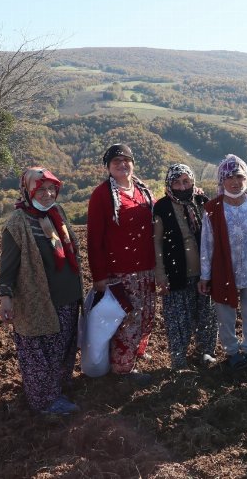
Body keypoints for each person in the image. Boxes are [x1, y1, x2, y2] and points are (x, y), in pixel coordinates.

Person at [0, 167, 83, 415]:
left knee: (63, 347)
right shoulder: (17, 224)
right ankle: (44, 402)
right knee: (39, 353)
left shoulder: (57, 213)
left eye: (51, 188)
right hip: (39, 302)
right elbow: (8, 268)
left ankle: (57, 389)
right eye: (40, 189)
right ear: (27, 190)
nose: (47, 194)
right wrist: (5, 298)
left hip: (67, 297)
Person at [87, 144, 156, 385]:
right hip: (121, 271)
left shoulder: (142, 190)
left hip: (147, 268)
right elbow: (94, 239)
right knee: (129, 318)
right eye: (116, 161)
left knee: (147, 314)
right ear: (107, 167)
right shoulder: (102, 195)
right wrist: (99, 276)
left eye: (126, 160)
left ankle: (134, 353)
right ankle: (122, 369)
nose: (122, 164)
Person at [198, 154, 247, 370]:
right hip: (225, 271)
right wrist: (205, 275)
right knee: (225, 314)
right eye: (229, 177)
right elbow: (207, 244)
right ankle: (232, 352)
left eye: (239, 176)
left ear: (246, 178)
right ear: (221, 181)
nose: (235, 181)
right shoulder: (213, 209)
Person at [153, 164, 218, 370]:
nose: (182, 187)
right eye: (177, 182)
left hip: (204, 273)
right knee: (178, 320)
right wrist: (161, 275)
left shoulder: (201, 202)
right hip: (176, 274)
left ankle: (205, 352)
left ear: (192, 182)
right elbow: (157, 243)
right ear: (169, 184)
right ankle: (179, 361)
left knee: (207, 314)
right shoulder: (162, 207)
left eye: (186, 181)